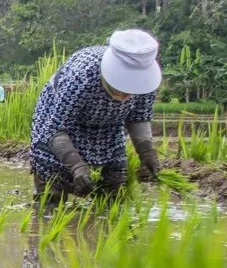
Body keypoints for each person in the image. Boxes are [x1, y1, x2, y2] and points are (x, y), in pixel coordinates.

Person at [30, 29, 163, 201]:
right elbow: (55, 129)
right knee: (51, 190)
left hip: (108, 128)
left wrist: (147, 153)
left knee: (114, 189)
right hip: (59, 128)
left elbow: (138, 117)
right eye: (120, 88)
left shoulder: (146, 82)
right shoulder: (81, 74)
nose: (124, 97)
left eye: (131, 90)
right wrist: (77, 166)